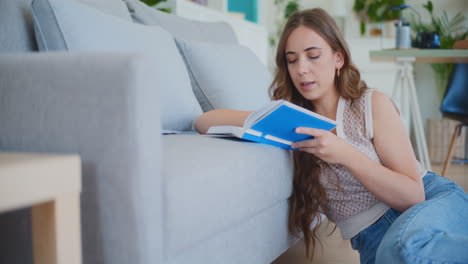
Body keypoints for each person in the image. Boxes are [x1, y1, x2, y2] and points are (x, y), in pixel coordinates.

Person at [195, 8, 468, 264]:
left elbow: (413, 195)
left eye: (313, 56)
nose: (301, 69)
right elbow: (204, 121)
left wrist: (346, 154)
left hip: (431, 206)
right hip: (375, 242)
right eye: (292, 60)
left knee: (405, 249)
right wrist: (260, 118)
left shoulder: (370, 105)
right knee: (397, 253)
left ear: (338, 58)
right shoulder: (291, 122)